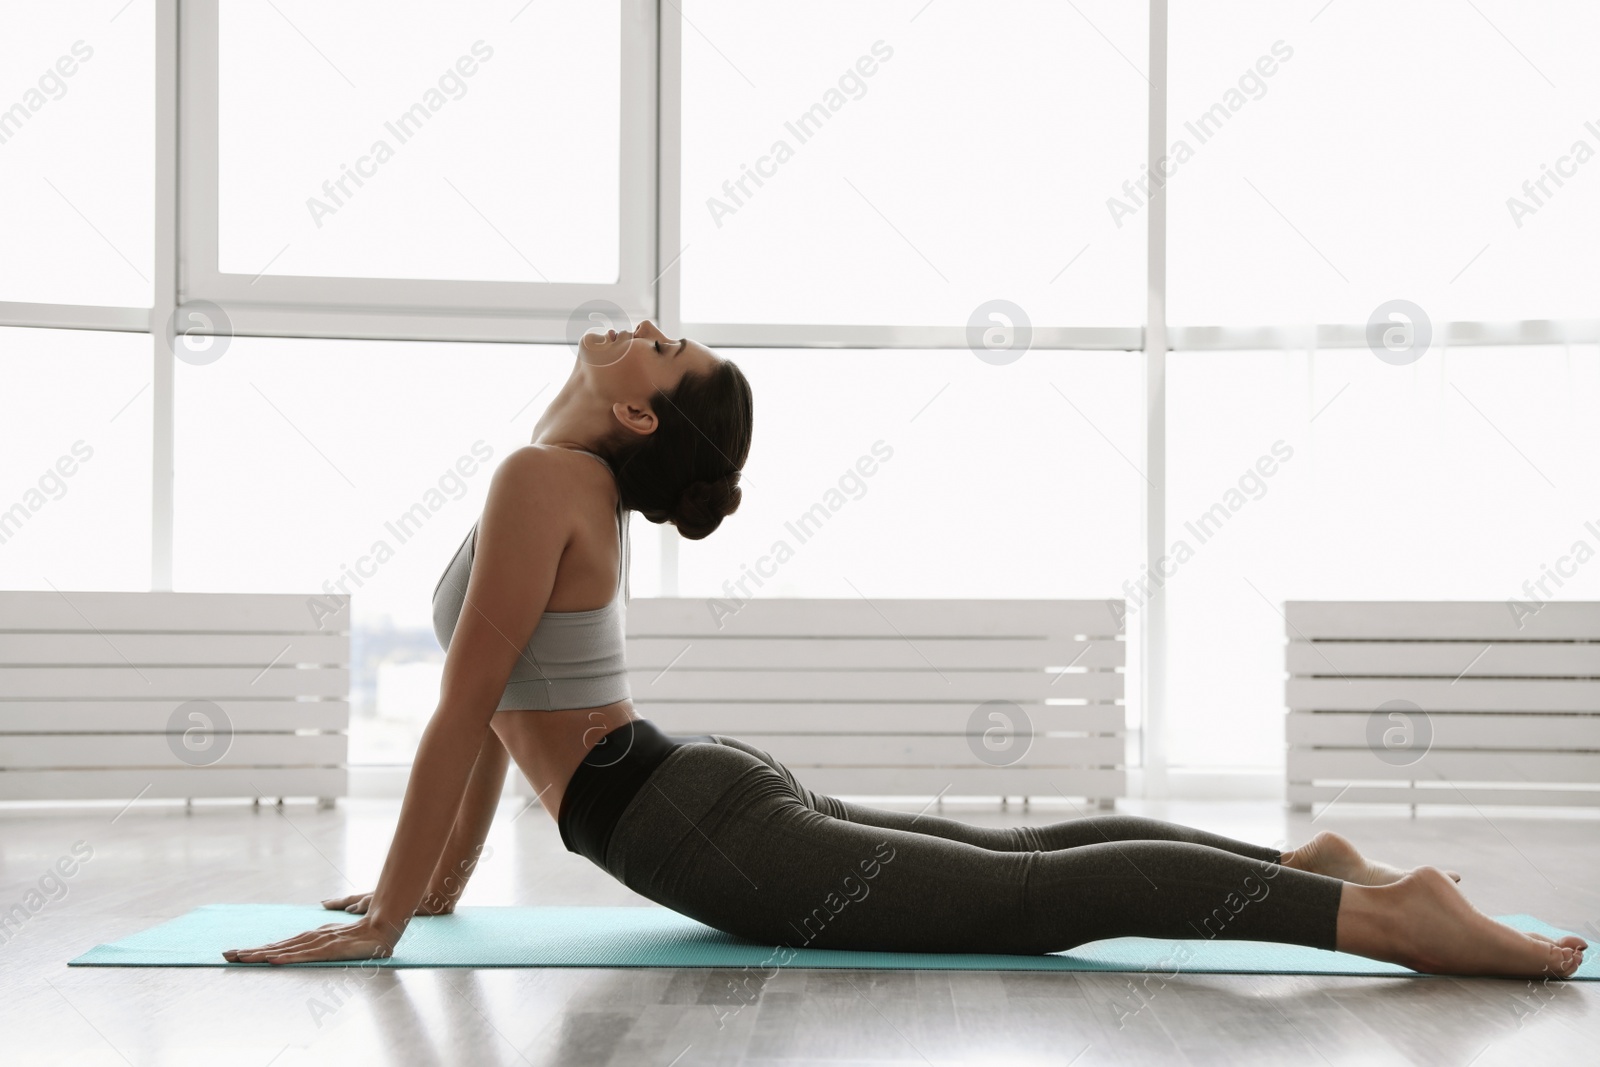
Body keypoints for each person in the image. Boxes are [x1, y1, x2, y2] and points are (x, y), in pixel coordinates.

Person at [225, 320, 1586, 979]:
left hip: (685, 816)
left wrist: (396, 920)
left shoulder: (539, 480)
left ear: (638, 415)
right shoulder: (550, 469)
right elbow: (495, 700)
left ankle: (1376, 915)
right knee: (1021, 860)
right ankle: (1310, 869)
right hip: (687, 790)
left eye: (662, 346)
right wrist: (432, 893)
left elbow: (467, 710)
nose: (644, 329)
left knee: (1025, 902)